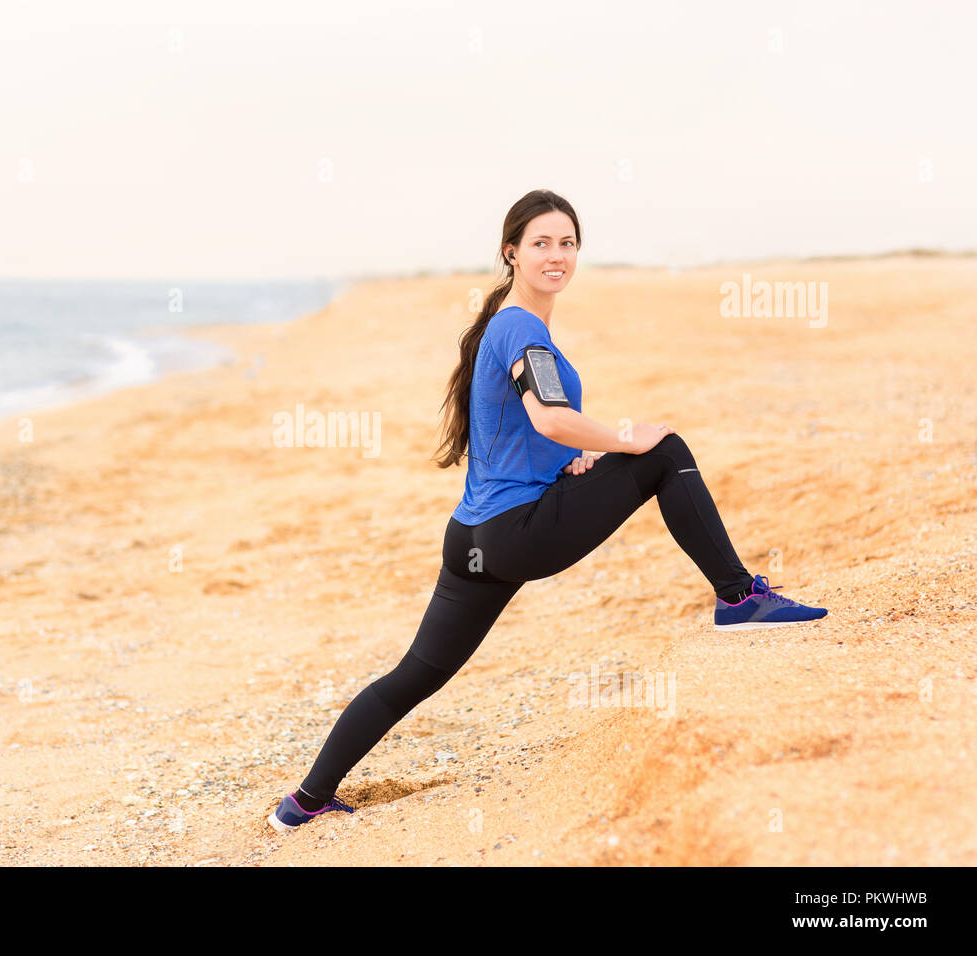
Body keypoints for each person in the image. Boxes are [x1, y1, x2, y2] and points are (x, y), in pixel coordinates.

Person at [267, 189, 827, 832]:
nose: (556, 255)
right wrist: (622, 438)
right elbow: (551, 416)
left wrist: (565, 462)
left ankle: (304, 801)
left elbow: (521, 433)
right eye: (541, 243)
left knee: (415, 675)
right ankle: (737, 597)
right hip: (516, 534)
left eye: (567, 243)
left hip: (471, 537)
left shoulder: (506, 327)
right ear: (512, 252)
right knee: (665, 452)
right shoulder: (519, 327)